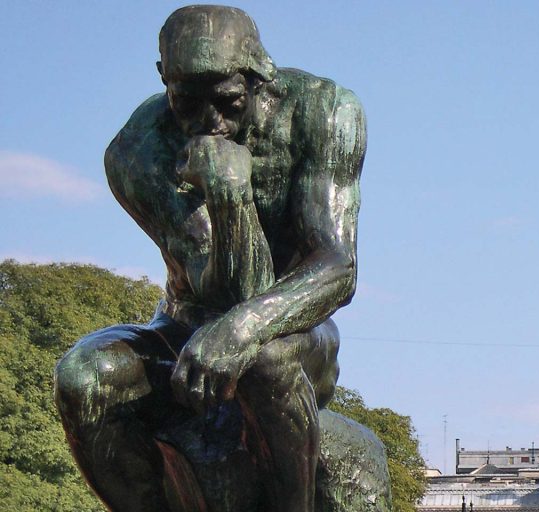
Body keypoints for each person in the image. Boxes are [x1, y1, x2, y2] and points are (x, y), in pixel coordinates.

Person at [52, 6, 365, 511]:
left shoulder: (324, 112)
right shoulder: (137, 151)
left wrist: (244, 328)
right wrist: (228, 195)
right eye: (187, 104)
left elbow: (337, 267)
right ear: (164, 83)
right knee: (82, 376)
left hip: (298, 329)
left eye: (228, 102)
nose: (209, 124)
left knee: (264, 357)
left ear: (261, 74)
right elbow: (215, 286)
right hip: (182, 327)